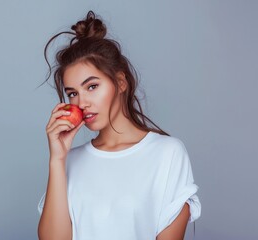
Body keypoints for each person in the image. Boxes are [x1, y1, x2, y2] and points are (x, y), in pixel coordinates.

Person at [37, 10, 201, 240]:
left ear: (120, 82)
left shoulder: (167, 154)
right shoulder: (69, 162)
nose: (81, 102)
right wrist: (57, 159)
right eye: (72, 93)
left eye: (92, 86)